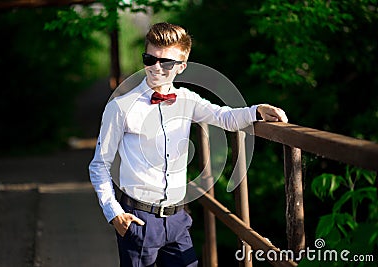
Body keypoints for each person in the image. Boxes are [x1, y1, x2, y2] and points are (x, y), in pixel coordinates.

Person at [89, 22, 288, 267]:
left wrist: (256, 110)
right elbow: (99, 165)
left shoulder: (187, 100)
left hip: (178, 220)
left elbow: (224, 116)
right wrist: (114, 213)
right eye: (150, 59)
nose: (156, 68)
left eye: (167, 63)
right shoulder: (120, 107)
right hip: (138, 221)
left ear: (182, 66)